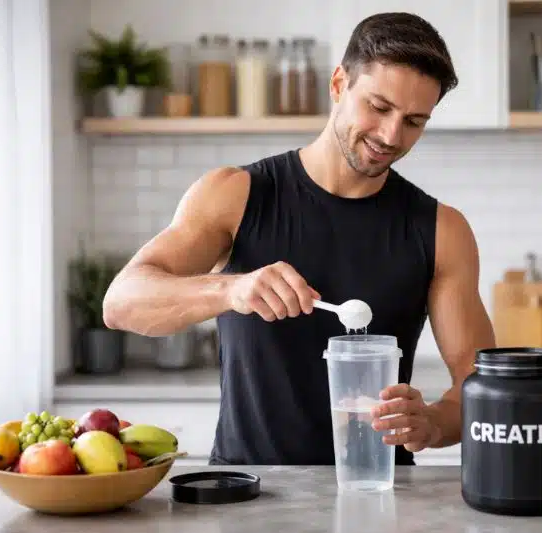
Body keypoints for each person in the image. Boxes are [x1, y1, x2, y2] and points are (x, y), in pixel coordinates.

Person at [102, 11, 496, 466]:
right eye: (379, 107)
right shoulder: (235, 194)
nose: (391, 135)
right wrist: (232, 288)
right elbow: (122, 303)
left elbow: (480, 385)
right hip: (246, 497)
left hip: (378, 497)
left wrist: (432, 423)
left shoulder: (441, 230)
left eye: (414, 121)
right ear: (338, 84)